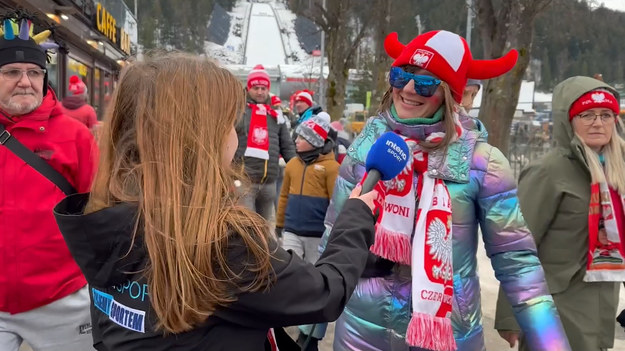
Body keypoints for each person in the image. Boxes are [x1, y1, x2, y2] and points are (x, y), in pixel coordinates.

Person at [53, 52, 381, 351]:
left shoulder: (99, 222)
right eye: (228, 124)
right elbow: (325, 293)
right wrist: (355, 217)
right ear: (200, 138)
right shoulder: (225, 246)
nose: (234, 136)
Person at [320, 30, 571, 351]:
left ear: (450, 93)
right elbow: (334, 237)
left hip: (449, 336)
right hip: (361, 331)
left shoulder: (483, 162)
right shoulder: (367, 145)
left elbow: (518, 263)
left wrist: (552, 344)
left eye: (426, 82)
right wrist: (311, 323)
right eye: (401, 75)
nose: (408, 89)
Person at [495, 76, 625, 351]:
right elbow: (517, 246)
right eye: (586, 115)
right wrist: (509, 315)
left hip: (600, 303)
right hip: (551, 305)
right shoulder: (549, 171)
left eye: (605, 115)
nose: (598, 123)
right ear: (568, 120)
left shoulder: (617, 170)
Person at [0, 13, 98, 351]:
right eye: (11, 72)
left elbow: (100, 211)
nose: (25, 81)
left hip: (62, 298)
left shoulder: (76, 137)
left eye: (34, 72)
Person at [275, 115, 339, 350]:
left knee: (316, 284)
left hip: (317, 235)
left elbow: (336, 203)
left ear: (315, 141)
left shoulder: (332, 168)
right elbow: (283, 197)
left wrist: (334, 231)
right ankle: (281, 319)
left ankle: (310, 335)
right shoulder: (291, 164)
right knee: (285, 273)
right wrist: (280, 223)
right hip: (292, 229)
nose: (297, 141)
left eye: (302, 137)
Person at [235, 64, 296, 221]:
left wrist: (297, 168)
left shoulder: (276, 114)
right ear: (248, 88)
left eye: (263, 88)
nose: (260, 92)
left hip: (269, 182)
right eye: (256, 88)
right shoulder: (238, 110)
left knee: (264, 229)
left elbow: (287, 144)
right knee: (247, 225)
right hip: (244, 181)